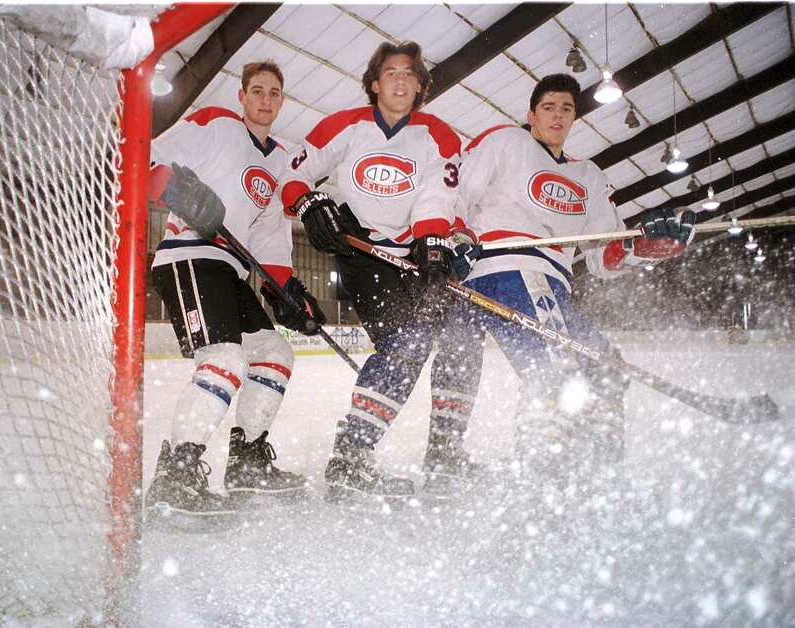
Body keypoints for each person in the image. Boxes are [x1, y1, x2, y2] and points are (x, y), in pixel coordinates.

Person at [426, 73, 696, 489]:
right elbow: (457, 194)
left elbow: (603, 254)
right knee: (556, 369)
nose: (557, 115)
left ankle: (595, 465)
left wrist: (643, 248)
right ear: (530, 114)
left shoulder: (588, 176)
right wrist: (453, 239)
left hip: (552, 285)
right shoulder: (504, 142)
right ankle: (547, 468)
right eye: (548, 107)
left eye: (566, 109)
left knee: (604, 364)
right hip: (503, 267)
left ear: (574, 120)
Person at [276, 41, 462, 501]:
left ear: (420, 85)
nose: (401, 80)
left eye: (409, 74)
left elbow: (437, 196)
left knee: (437, 339)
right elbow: (293, 174)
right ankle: (350, 457)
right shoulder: (346, 126)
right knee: (406, 342)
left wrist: (434, 245)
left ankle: (374, 456)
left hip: (411, 256)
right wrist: (309, 201)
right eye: (391, 73)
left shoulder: (438, 135)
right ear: (375, 84)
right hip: (360, 252)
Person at [144, 61, 327, 527]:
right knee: (225, 359)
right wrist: (173, 188)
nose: (266, 100)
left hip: (230, 269)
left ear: (282, 101)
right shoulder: (216, 124)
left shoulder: (278, 159)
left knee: (274, 353)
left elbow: (268, 239)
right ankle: (175, 477)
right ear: (242, 96)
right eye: (257, 91)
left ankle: (246, 462)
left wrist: (284, 290)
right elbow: (149, 154)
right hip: (187, 253)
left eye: (275, 93)